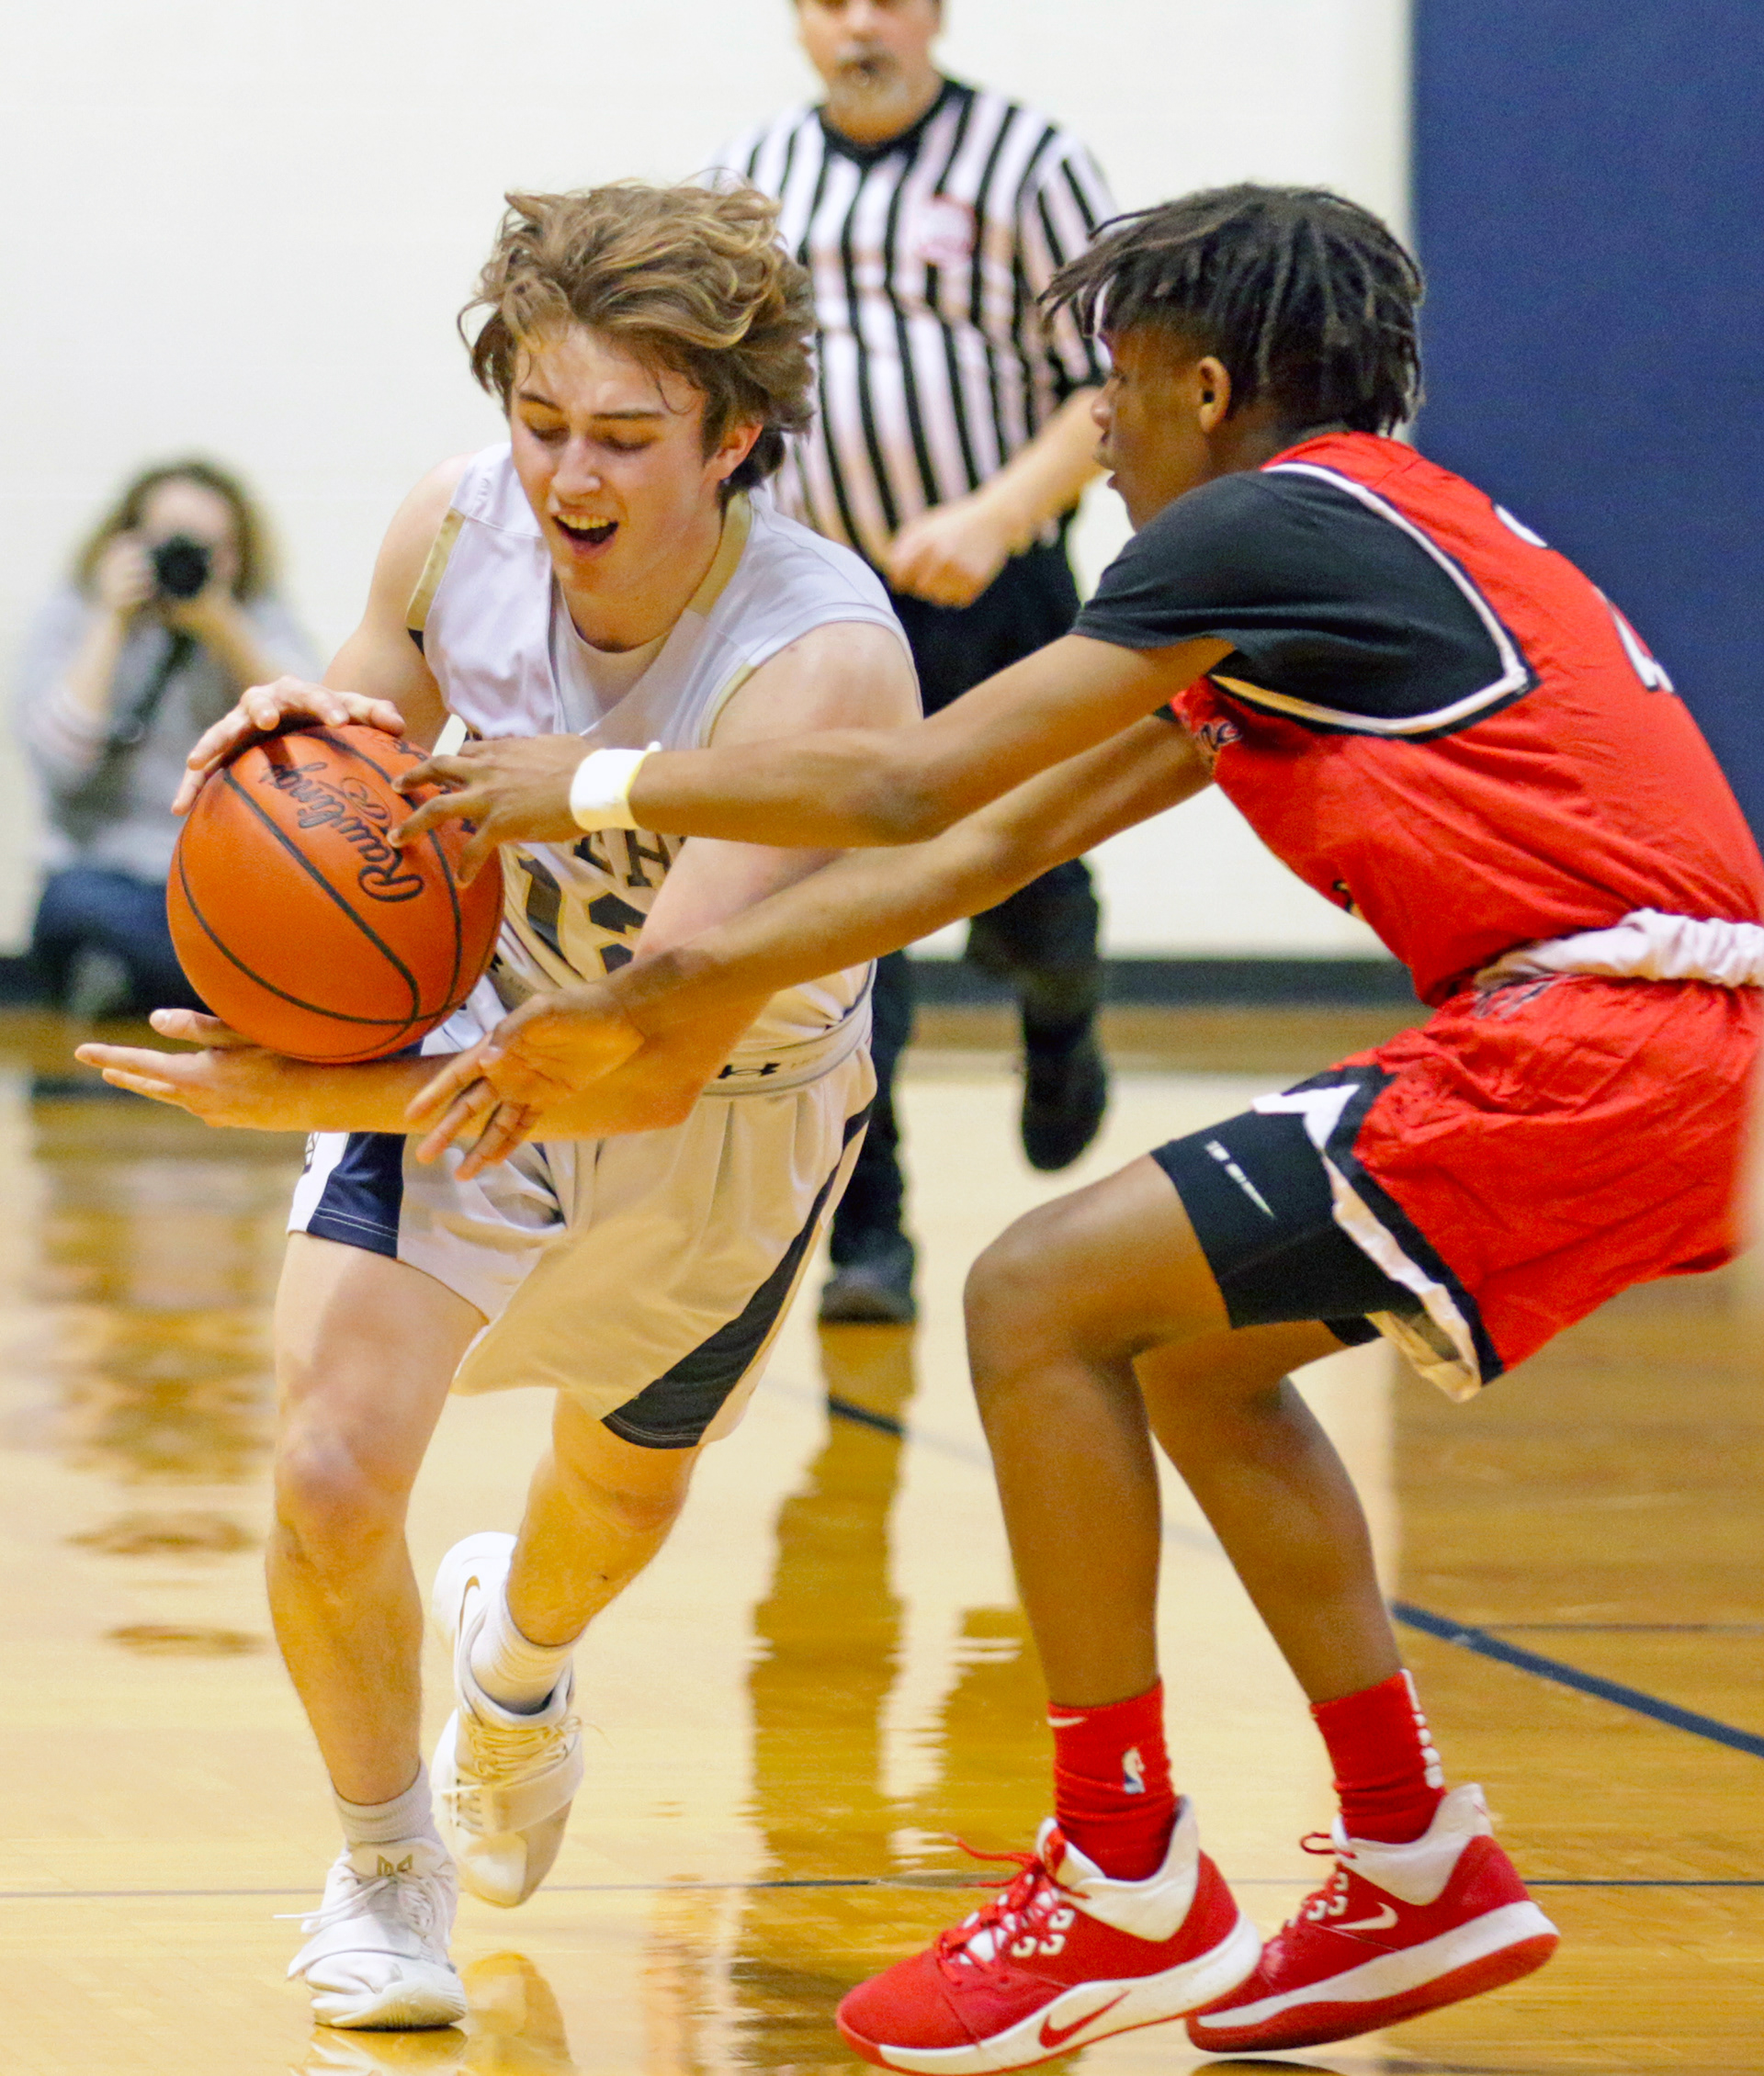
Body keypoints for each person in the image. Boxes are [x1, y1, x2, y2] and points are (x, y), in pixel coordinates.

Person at [390, 185, 1764, 2068]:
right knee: (1191, 1357)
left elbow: (906, 772)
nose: (1096, 435)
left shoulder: (1283, 519)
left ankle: (1119, 1872)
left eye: (1113, 394)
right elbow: (987, 845)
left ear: (1208, 385)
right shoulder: (1329, 564)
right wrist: (653, 997)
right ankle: (1411, 1851)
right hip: (1645, 1042)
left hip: (1598, 1029)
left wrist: (597, 778)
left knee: (1034, 1293)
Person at [81, 181, 918, 2031]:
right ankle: (386, 1866)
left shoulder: (817, 655)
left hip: (719, 1109)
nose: (571, 475)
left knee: (609, 1508)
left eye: (626, 435)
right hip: (468, 1026)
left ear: (737, 433)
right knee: (326, 1463)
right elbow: (360, 761)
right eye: (544, 424)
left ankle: (519, 1667)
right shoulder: (451, 525)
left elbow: (647, 1041)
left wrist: (281, 1080)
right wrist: (292, 743)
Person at [713, 0, 1119, 1322]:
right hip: (827, 616)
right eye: (833, 0)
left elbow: (1106, 385)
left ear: (935, 13)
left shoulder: (1030, 164)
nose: (862, 22)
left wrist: (997, 515)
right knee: (848, 926)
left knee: (1032, 875)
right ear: (798, 24)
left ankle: (1060, 1015)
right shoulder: (747, 179)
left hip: (996, 593)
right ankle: (869, 1239)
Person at [18, 459, 319, 1016]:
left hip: (217, 882)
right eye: (169, 543)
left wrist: (221, 624)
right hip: (103, 874)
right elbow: (61, 766)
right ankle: (207, 988)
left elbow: (311, 753)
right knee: (72, 907)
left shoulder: (256, 619)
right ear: (125, 541)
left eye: (207, 547)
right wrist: (109, 622)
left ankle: (154, 984)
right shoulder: (77, 613)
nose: (183, 561)